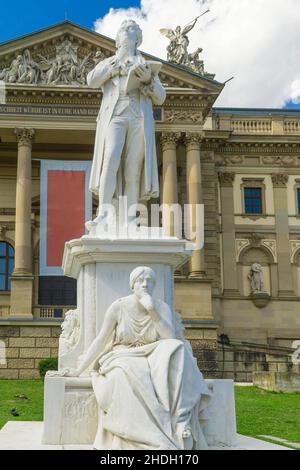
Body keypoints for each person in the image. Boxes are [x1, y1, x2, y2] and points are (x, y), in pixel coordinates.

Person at [65, 267, 210, 450]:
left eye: (150, 281)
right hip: (122, 354)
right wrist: (79, 370)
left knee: (177, 347)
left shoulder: (160, 307)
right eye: (140, 280)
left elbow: (169, 337)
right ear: (132, 284)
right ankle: (146, 436)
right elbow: (101, 339)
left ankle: (180, 420)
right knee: (126, 371)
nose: (145, 284)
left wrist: (151, 309)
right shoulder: (119, 306)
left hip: (152, 353)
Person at [87, 20, 166, 219]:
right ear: (117, 38)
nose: (127, 32)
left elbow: (161, 97)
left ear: (138, 39)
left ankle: (130, 218)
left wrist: (148, 80)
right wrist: (115, 66)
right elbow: (92, 80)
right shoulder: (109, 62)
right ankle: (104, 214)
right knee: (110, 158)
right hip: (116, 115)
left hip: (138, 117)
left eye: (132, 30)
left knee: (133, 169)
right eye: (123, 29)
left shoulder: (145, 65)